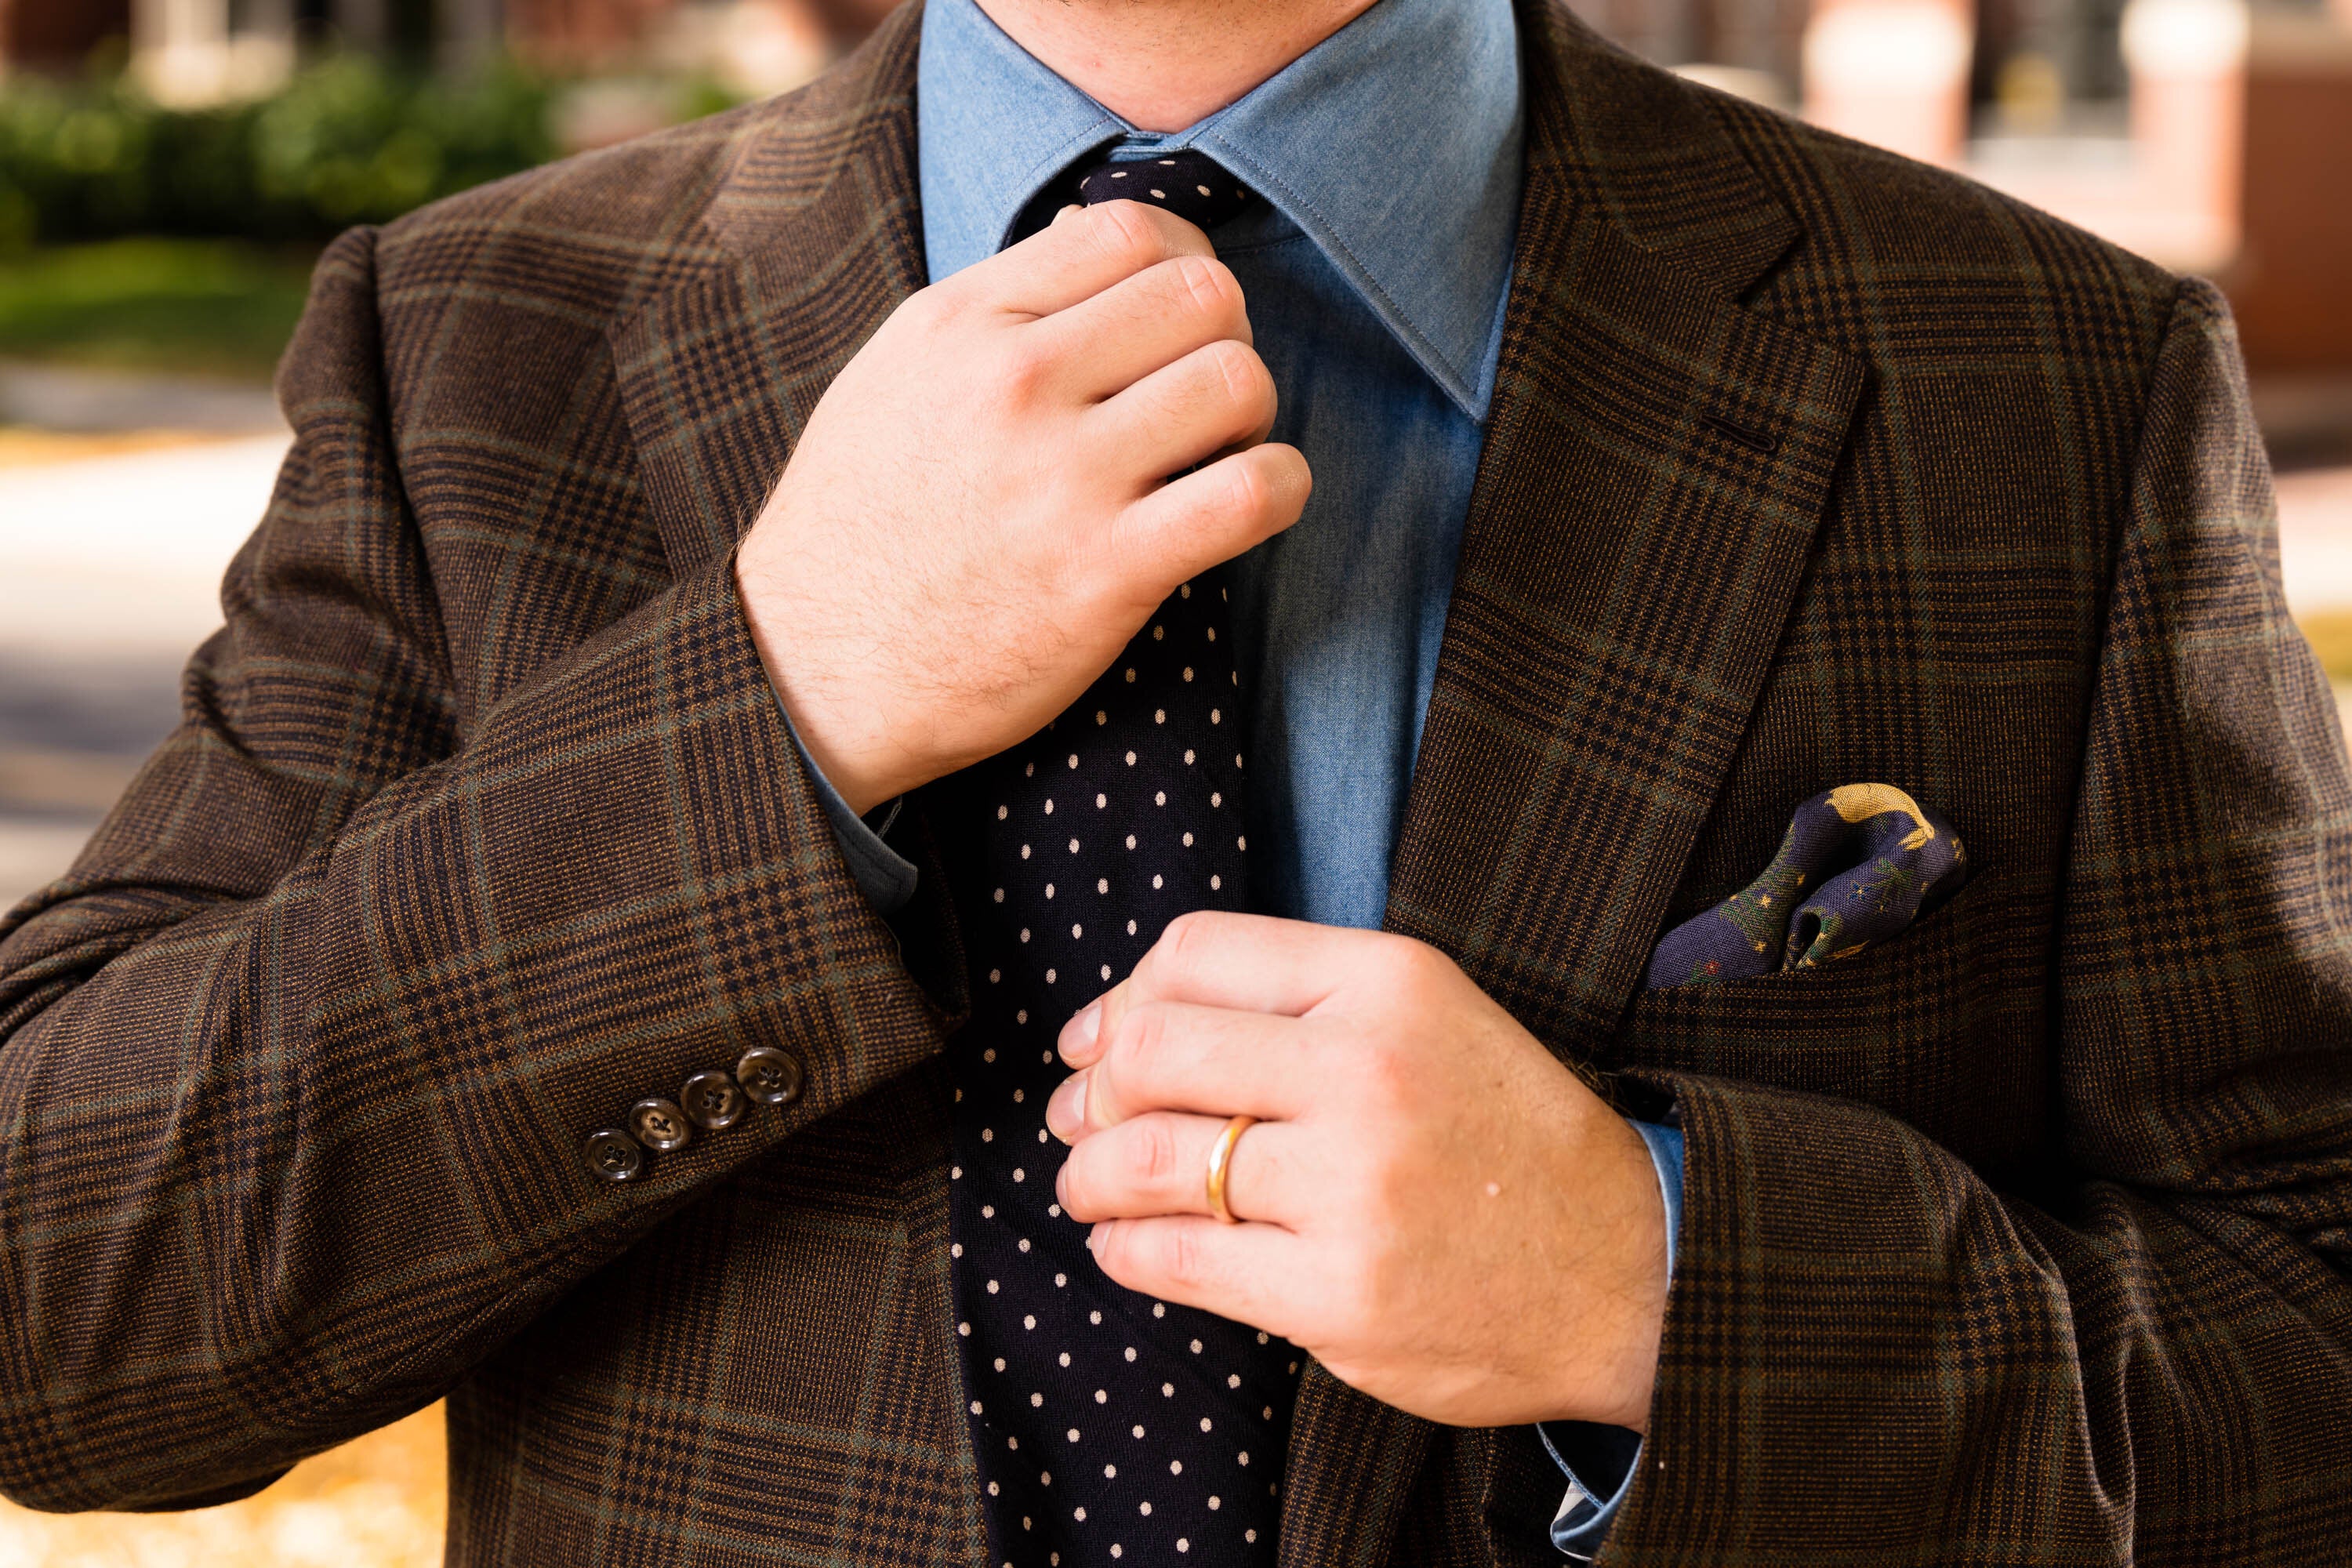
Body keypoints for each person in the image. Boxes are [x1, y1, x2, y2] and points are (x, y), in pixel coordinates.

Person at [1, 0, 2347, 1560]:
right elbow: (59, 1320)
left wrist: (1660, 1272)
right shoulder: (473, 345)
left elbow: (2309, 1348)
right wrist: (778, 699)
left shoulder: (2046, 370)